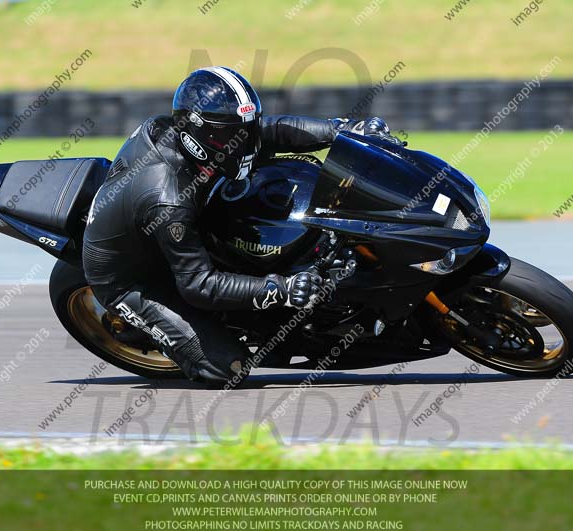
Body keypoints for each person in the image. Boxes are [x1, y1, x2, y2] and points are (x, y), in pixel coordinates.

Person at [82, 66, 399, 386]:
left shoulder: (204, 139)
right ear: (198, 137)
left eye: (246, 129)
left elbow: (273, 130)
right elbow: (198, 285)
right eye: (232, 134)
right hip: (136, 280)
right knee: (229, 370)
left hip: (177, 226)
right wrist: (283, 290)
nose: (247, 141)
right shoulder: (169, 199)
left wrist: (344, 130)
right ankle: (147, 329)